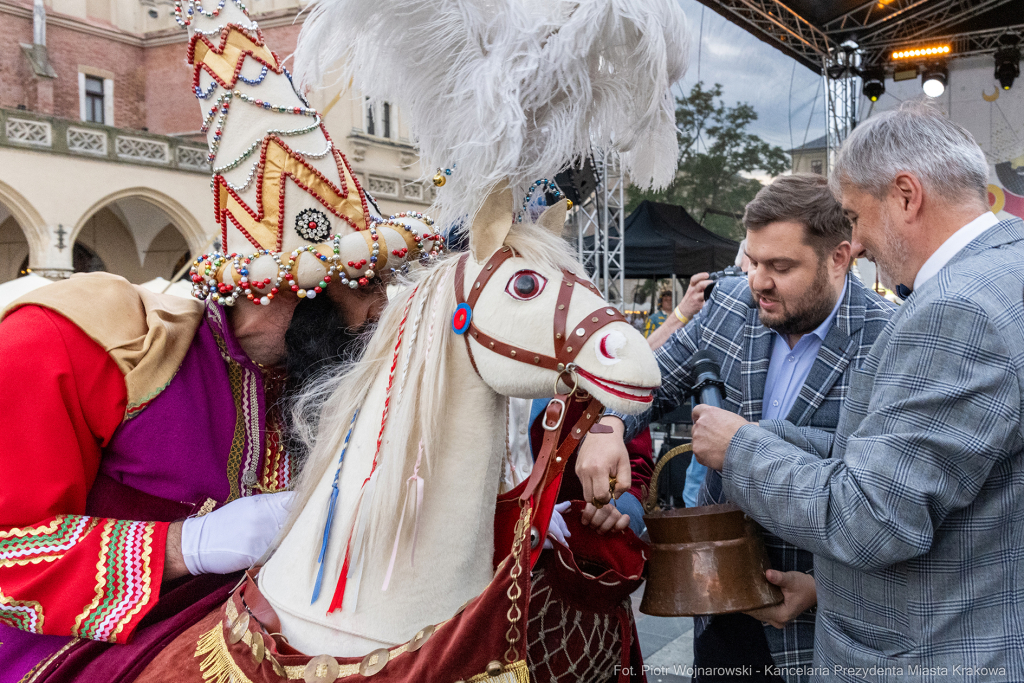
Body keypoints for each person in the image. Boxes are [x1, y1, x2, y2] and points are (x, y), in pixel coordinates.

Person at [0, 7, 440, 679]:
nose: (381, 308)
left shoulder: (313, 364)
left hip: (256, 625)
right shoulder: (82, 341)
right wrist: (189, 546)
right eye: (362, 282)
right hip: (81, 651)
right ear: (278, 287)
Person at [690, 102, 1024, 679]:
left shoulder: (955, 310)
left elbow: (872, 517)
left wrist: (743, 450)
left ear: (905, 195)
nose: (859, 245)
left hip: (922, 656)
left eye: (854, 217)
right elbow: (905, 460)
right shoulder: (1008, 265)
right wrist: (769, 434)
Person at [577, 173, 895, 682]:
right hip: (720, 610)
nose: (758, 281)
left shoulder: (889, 339)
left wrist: (820, 589)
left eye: (781, 266)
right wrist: (610, 424)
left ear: (840, 257)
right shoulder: (729, 305)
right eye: (754, 260)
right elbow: (648, 383)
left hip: (821, 627)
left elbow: (890, 500)